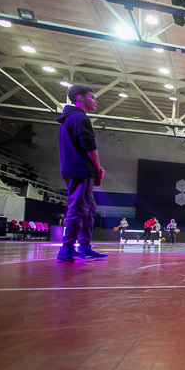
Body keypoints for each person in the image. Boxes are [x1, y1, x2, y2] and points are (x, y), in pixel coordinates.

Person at [55, 85, 107, 263]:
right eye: (92, 97)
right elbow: (90, 148)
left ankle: (84, 246)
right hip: (80, 169)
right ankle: (67, 249)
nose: (95, 101)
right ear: (80, 98)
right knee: (78, 208)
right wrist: (97, 170)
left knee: (89, 209)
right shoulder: (80, 118)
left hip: (73, 168)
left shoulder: (69, 118)